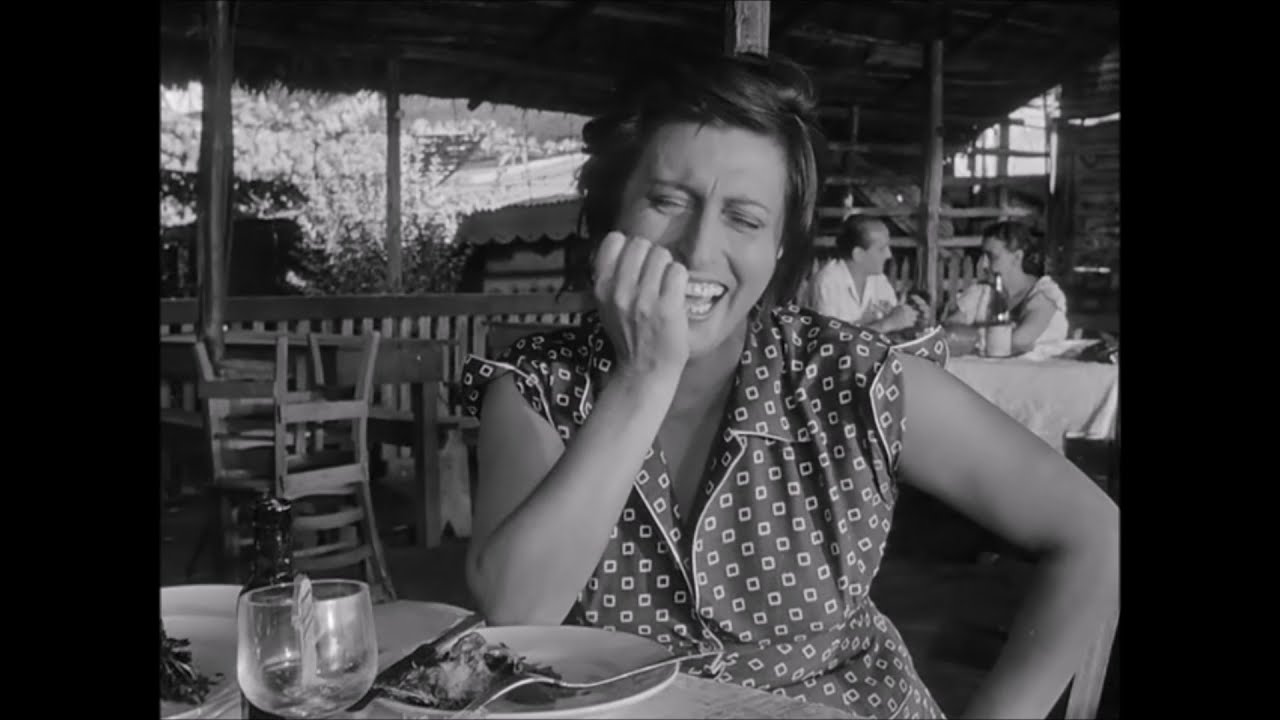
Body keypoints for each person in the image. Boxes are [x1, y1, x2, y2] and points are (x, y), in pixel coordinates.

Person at [460, 53, 1117, 720]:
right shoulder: (538, 387)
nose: (696, 249)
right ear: (613, 218)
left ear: (778, 247)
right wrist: (641, 379)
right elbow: (517, 612)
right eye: (667, 201)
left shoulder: (847, 379)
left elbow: (1097, 534)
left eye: (744, 218)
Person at [947, 221, 1070, 353]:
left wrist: (970, 337)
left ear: (1017, 257)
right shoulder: (982, 293)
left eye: (992, 256)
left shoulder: (1045, 294)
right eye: (983, 256)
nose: (984, 265)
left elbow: (1019, 340)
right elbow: (949, 332)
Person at [803, 216, 929, 333]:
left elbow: (895, 327)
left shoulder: (879, 280)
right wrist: (885, 324)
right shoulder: (827, 283)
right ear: (859, 254)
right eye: (881, 249)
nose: (889, 254)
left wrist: (914, 320)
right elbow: (831, 342)